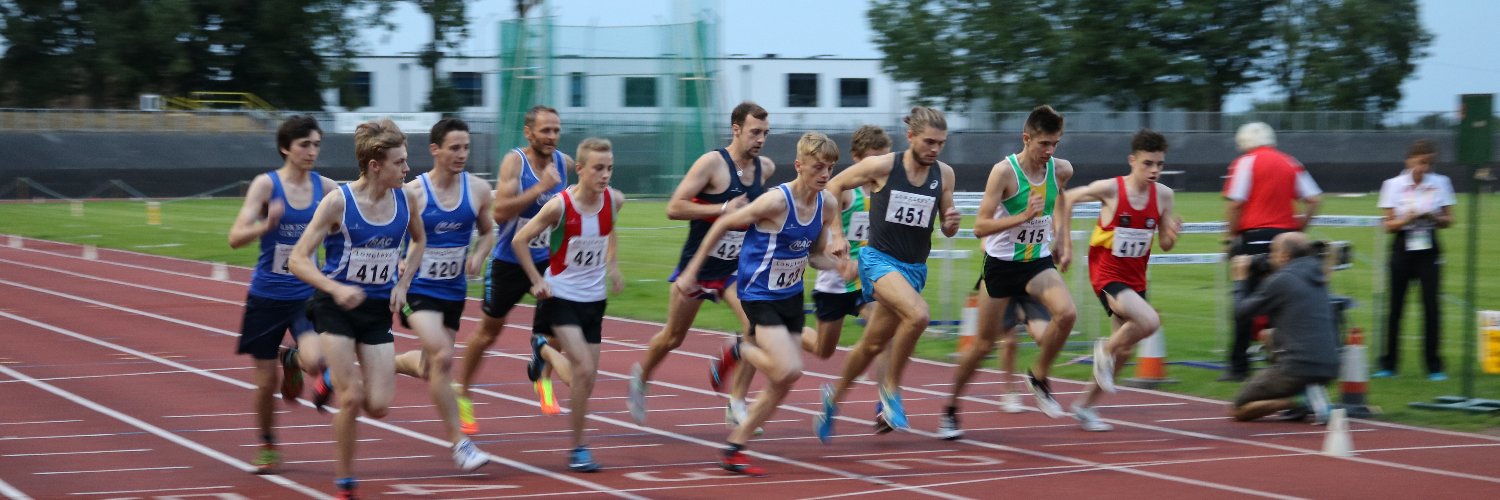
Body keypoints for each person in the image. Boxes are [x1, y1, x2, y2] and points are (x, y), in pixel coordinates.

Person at [684, 131, 846, 476]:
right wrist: (692, 271)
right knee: (788, 369)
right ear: (799, 165)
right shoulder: (775, 202)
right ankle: (740, 349)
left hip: (789, 296)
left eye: (830, 168)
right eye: (818, 167)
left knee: (783, 381)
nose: (825, 175)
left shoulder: (827, 204)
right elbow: (725, 222)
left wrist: (840, 265)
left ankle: (735, 448)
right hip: (757, 293)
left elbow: (815, 255)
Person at [288, 118, 426, 499]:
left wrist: (403, 283)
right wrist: (336, 289)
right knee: (351, 399)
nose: (408, 169)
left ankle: (331, 376)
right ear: (375, 165)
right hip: (335, 306)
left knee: (379, 406)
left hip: (377, 307)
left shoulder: (407, 199)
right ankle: (346, 481)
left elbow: (419, 241)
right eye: (400, 163)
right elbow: (299, 260)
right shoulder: (339, 202)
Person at [815, 106, 962, 441]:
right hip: (878, 261)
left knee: (871, 344)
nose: (935, 149)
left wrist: (952, 223)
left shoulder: (945, 175)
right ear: (910, 137)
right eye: (929, 141)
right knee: (919, 315)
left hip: (914, 269)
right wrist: (837, 235)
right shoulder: (883, 166)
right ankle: (891, 391)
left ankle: (832, 398)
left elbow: (947, 224)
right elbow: (832, 187)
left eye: (941, 143)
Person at [628, 102, 775, 428]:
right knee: (673, 337)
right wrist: (721, 209)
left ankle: (737, 402)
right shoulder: (712, 164)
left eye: (765, 133)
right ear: (735, 129)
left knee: (757, 328)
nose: (760, 139)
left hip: (736, 269)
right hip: (699, 265)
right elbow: (674, 207)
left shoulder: (764, 168)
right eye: (754, 132)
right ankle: (642, 376)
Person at [938, 105, 1077, 440]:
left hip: (1037, 262)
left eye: (1055, 143)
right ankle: (951, 408)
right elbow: (980, 226)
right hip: (1001, 266)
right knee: (983, 345)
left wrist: (1062, 238)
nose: (1050, 151)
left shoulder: (1061, 170)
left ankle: (1038, 376)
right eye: (1043, 144)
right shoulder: (1004, 172)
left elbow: (1060, 202)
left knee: (1068, 314)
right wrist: (1021, 218)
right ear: (1026, 138)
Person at [226, 115, 339, 474]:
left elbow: (350, 222)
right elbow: (235, 237)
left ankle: (290, 359)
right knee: (264, 385)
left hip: (306, 294)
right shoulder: (265, 185)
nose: (312, 151)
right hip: (266, 296)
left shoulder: (326, 188)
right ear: (285, 148)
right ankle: (268, 445)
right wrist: (267, 224)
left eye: (317, 144)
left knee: (317, 361)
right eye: (305, 144)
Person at [512, 138, 626, 473]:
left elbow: (610, 229)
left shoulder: (615, 200)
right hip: (560, 295)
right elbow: (520, 240)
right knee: (584, 370)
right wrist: (536, 280)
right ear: (580, 169)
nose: (605, 175)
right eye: (598, 169)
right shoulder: (559, 206)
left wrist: (614, 264)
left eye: (609, 168)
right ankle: (579, 449)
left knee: (585, 383)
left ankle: (542, 348)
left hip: (594, 300)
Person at [1058, 129, 1182, 432]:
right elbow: (1067, 198)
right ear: (1132, 160)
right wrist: (1066, 243)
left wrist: (1172, 234)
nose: (1154, 170)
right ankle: (1103, 350)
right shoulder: (1111, 189)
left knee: (1124, 351)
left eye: (1159, 165)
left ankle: (1085, 406)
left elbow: (1165, 243)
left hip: (1135, 277)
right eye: (1147, 164)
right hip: (1107, 272)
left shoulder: (1164, 195)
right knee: (1150, 322)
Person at [457, 105, 571, 429]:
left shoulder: (563, 162)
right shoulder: (515, 162)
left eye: (556, 130)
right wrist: (539, 187)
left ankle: (542, 377)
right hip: (509, 261)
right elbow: (500, 212)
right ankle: (463, 392)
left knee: (559, 324)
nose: (551, 137)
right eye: (545, 130)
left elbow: (588, 175)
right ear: (529, 132)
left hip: (546, 258)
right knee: (489, 331)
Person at [390, 118, 494, 472]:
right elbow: (388, 230)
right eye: (454, 148)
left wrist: (479, 254)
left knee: (429, 365)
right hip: (417, 288)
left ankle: (382, 364)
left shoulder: (478, 190)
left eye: (466, 147)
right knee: (442, 354)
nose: (461, 154)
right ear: (435, 149)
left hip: (453, 291)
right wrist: (400, 259)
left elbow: (488, 231)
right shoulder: (414, 193)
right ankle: (460, 444)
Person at [1221, 122, 1322, 381]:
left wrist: (1231, 236)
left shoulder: (1246, 162)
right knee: (1284, 302)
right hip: (1288, 242)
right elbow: (1314, 199)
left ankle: (1239, 366)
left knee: (1245, 300)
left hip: (1254, 239)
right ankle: (1284, 358)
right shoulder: (1290, 161)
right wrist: (1300, 228)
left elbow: (1235, 205)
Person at [1227, 232, 1340, 424]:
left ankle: (1299, 400)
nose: (1269, 258)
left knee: (1239, 408)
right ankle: (1308, 392)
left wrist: (1240, 279)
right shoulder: (1318, 272)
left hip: (1297, 367)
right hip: (1329, 366)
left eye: (1272, 252)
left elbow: (1241, 312)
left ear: (1285, 255)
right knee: (1269, 335)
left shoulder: (1282, 280)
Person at [803, 125, 888, 360]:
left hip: (866, 279)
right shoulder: (846, 192)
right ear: (856, 158)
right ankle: (782, 328)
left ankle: (886, 395)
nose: (878, 166)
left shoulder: (885, 191)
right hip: (836, 282)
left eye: (884, 158)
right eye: (873, 159)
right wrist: (838, 240)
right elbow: (825, 231)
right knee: (823, 350)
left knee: (884, 332)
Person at [1375, 139, 1455, 380]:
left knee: (1432, 307)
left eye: (1429, 163)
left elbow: (1450, 220)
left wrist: (1435, 217)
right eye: (1421, 162)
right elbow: (1388, 225)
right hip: (1402, 245)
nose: (1424, 168)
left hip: (1428, 247)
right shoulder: (1393, 185)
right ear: (1409, 160)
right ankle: (1389, 364)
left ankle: (1434, 366)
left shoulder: (1441, 183)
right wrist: (1405, 220)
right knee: (1396, 307)